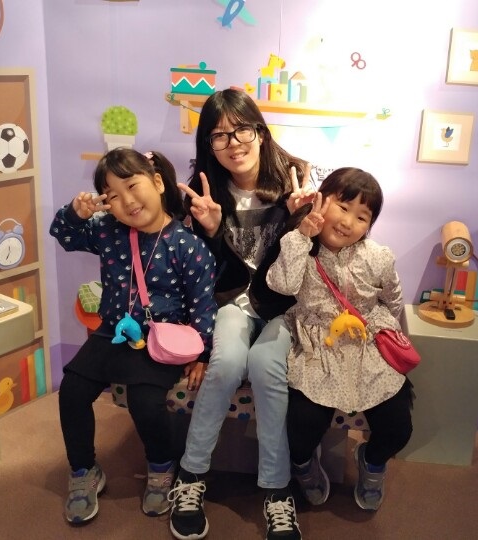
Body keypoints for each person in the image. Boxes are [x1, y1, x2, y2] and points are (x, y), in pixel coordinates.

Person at [173, 88, 314, 540]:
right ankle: (191, 474)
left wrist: (296, 220)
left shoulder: (297, 180)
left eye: (241, 131)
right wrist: (213, 231)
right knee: (228, 362)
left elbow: (301, 264)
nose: (233, 143)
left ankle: (276, 489)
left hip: (281, 307)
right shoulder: (204, 192)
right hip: (233, 303)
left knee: (266, 366)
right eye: (219, 136)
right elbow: (201, 274)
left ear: (260, 132)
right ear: (208, 145)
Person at [49, 148, 217, 525]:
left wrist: (201, 353)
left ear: (157, 183)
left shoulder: (187, 244)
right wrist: (75, 213)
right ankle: (84, 470)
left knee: (146, 402)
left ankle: (161, 466)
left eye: (132, 185)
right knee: (72, 391)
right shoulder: (108, 230)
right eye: (112, 195)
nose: (126, 201)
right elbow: (64, 235)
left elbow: (203, 304)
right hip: (111, 332)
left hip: (160, 339)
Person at [266, 167, 414, 513]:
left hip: (367, 346)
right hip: (318, 348)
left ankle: (372, 463)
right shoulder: (299, 245)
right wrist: (302, 235)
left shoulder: (378, 256)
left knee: (398, 428)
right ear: (322, 200)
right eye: (343, 207)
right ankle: (304, 465)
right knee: (301, 427)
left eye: (362, 217)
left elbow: (393, 299)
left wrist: (383, 328)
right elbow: (282, 286)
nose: (348, 222)